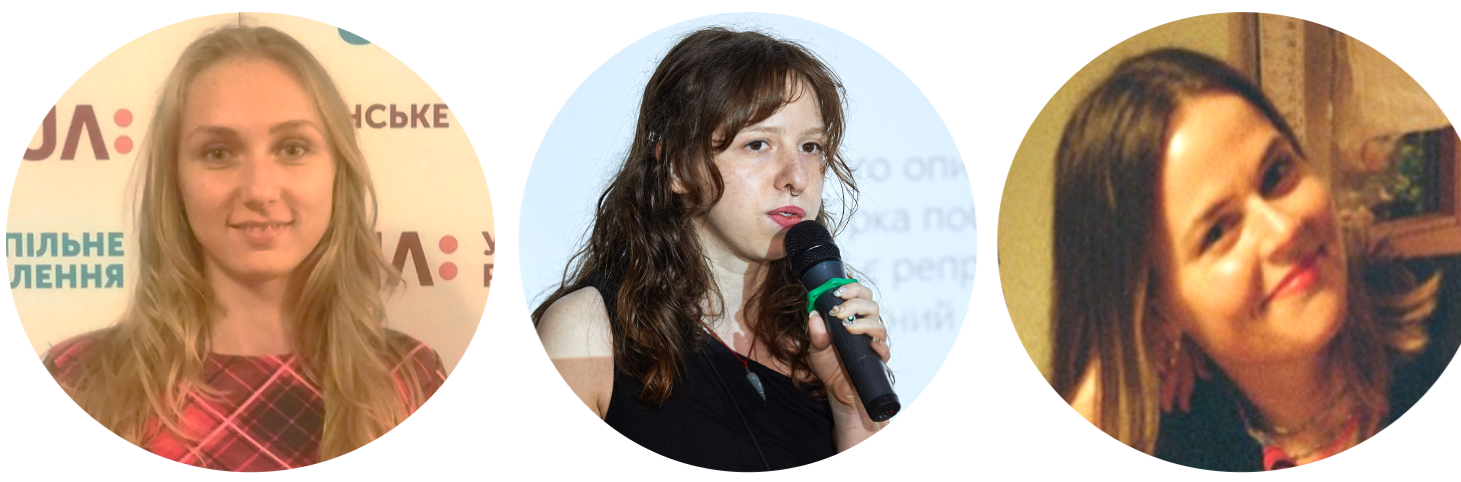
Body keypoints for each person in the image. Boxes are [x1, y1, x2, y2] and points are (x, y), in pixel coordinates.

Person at [41, 25, 445, 471]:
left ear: (338, 170)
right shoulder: (78, 380)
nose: (259, 189)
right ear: (174, 182)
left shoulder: (411, 380)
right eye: (218, 153)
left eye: (292, 148)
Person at [1049, 48, 1445, 471]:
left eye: (1276, 174)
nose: (1284, 229)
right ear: (1156, 304)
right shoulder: (1176, 451)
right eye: (1218, 231)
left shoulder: (1460, 325)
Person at [532, 27, 890, 472]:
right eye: (758, 144)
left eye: (811, 146)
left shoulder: (821, 331)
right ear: (678, 168)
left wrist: (850, 403)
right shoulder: (587, 329)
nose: (796, 177)